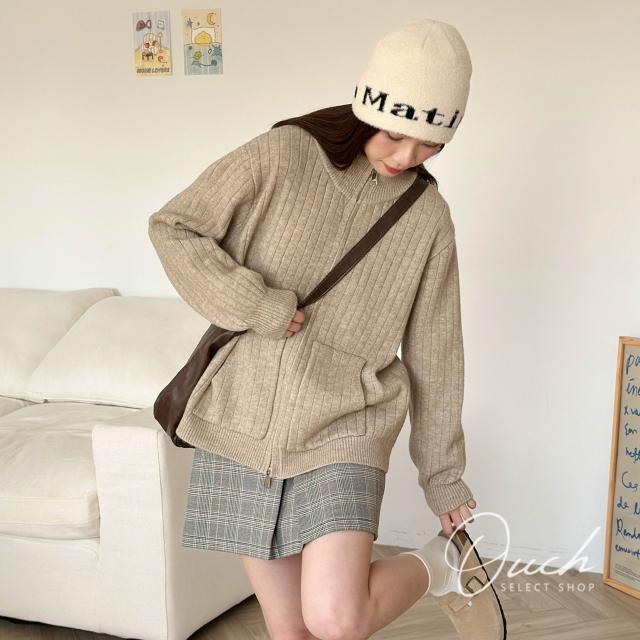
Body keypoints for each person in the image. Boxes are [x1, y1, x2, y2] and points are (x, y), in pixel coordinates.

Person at [148, 17, 497, 640]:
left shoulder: (427, 219)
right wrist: (254, 303)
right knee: (292, 632)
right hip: (240, 420)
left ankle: (440, 565)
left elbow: (436, 354)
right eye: (396, 135)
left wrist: (443, 477)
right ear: (368, 107)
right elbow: (174, 226)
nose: (407, 158)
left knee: (337, 618)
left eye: (430, 145)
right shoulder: (283, 155)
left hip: (346, 424)